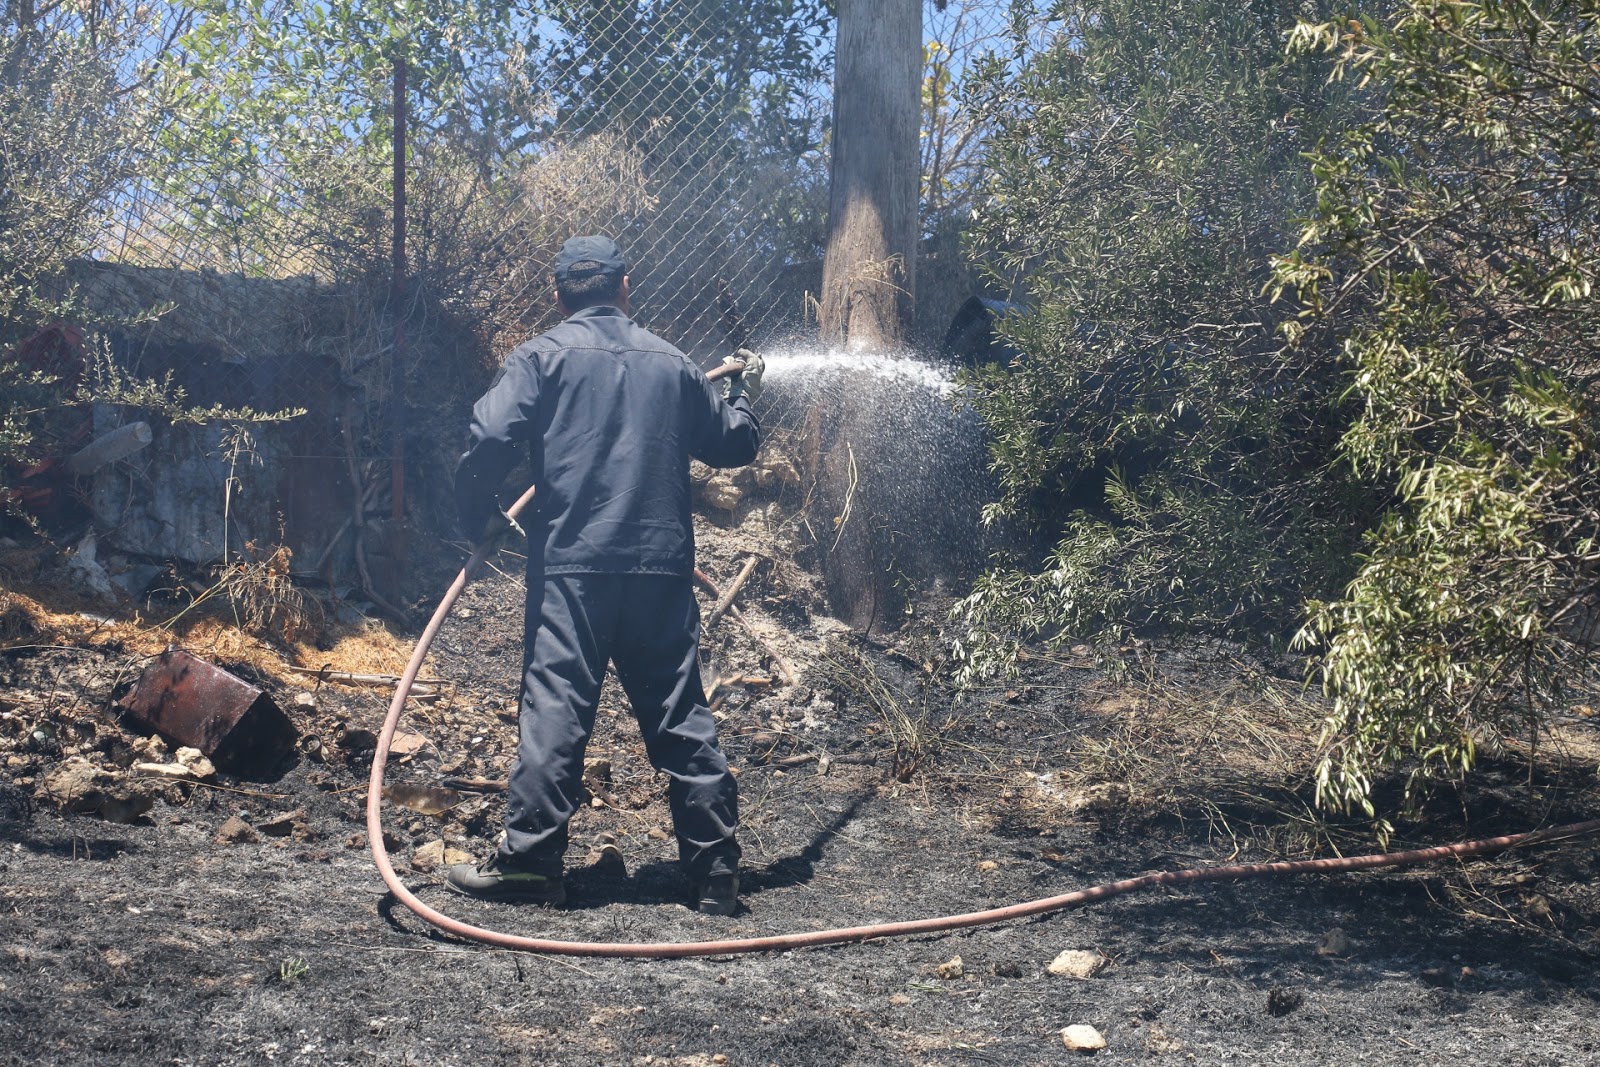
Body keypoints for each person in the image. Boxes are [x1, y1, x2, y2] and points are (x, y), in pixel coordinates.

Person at [446, 235, 763, 915]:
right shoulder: (673, 364)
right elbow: (734, 444)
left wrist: (484, 517)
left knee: (556, 708)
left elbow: (489, 441)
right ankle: (715, 873)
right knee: (679, 711)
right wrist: (740, 394)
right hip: (660, 569)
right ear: (625, 286)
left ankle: (531, 862)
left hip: (574, 570)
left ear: (560, 296)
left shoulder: (540, 358)